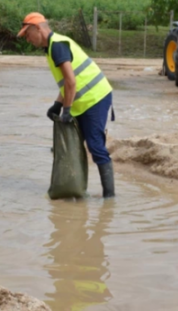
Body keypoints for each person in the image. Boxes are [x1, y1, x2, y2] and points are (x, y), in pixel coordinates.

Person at [17, 13, 115, 198]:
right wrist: (57, 104)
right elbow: (66, 83)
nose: (28, 40)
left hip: (95, 98)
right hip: (86, 101)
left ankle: (109, 198)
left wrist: (67, 109)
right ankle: (78, 188)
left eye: (27, 35)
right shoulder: (53, 46)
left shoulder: (58, 46)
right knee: (78, 144)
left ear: (38, 28)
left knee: (95, 145)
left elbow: (71, 82)